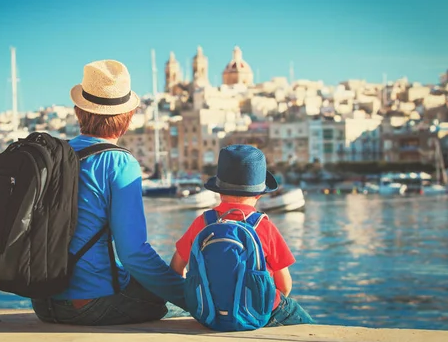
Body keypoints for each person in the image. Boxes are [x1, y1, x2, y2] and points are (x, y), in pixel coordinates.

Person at [31, 59, 186, 326]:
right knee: (171, 304)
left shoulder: (55, 156)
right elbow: (133, 253)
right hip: (90, 306)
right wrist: (192, 296)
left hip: (43, 304)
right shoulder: (119, 163)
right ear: (127, 119)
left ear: (79, 112)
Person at [169, 144, 315, 327]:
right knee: (307, 324)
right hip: (260, 311)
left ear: (219, 191)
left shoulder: (203, 222)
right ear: (260, 194)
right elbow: (285, 285)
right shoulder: (265, 226)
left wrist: (197, 299)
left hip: (207, 312)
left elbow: (176, 267)